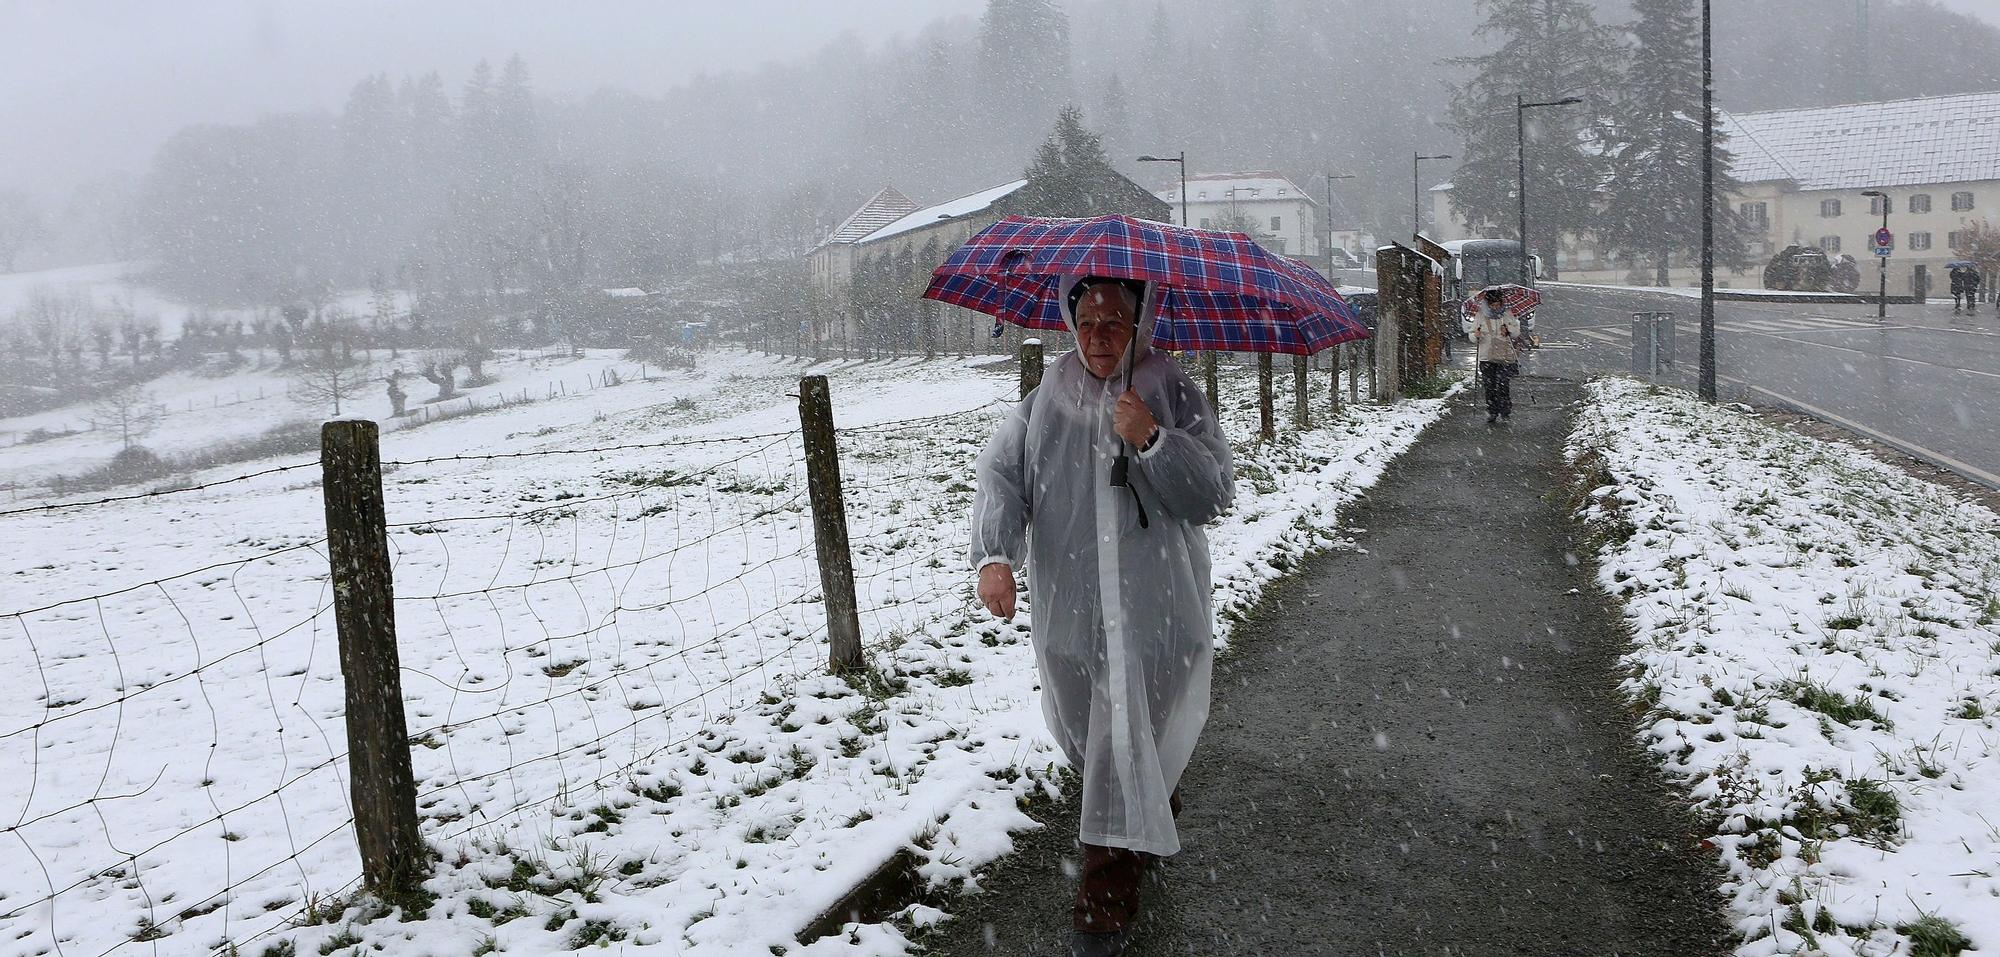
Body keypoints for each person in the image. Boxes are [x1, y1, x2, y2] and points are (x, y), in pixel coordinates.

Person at [971, 276, 1235, 957]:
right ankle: (1152, 798)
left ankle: (1105, 900)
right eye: (1086, 321)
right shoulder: (1045, 398)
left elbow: (1211, 491)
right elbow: (1002, 473)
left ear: (1138, 323)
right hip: (1072, 608)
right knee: (1094, 735)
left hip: (1154, 606)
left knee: (1119, 744)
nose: (1097, 335)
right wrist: (995, 556)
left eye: (1113, 321)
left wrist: (1151, 437)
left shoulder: (1169, 388)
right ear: (1069, 322)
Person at [1469, 287, 1524, 424]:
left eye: (1498, 304)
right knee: (1490, 385)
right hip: (1486, 356)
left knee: (1503, 383)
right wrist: (1476, 335)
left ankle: (1505, 410)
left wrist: (1509, 330)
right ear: (1487, 303)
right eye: (1492, 304)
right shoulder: (1480, 315)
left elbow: (1517, 332)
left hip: (1505, 355)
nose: (1495, 307)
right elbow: (1471, 334)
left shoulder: (1507, 313)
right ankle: (1492, 411)